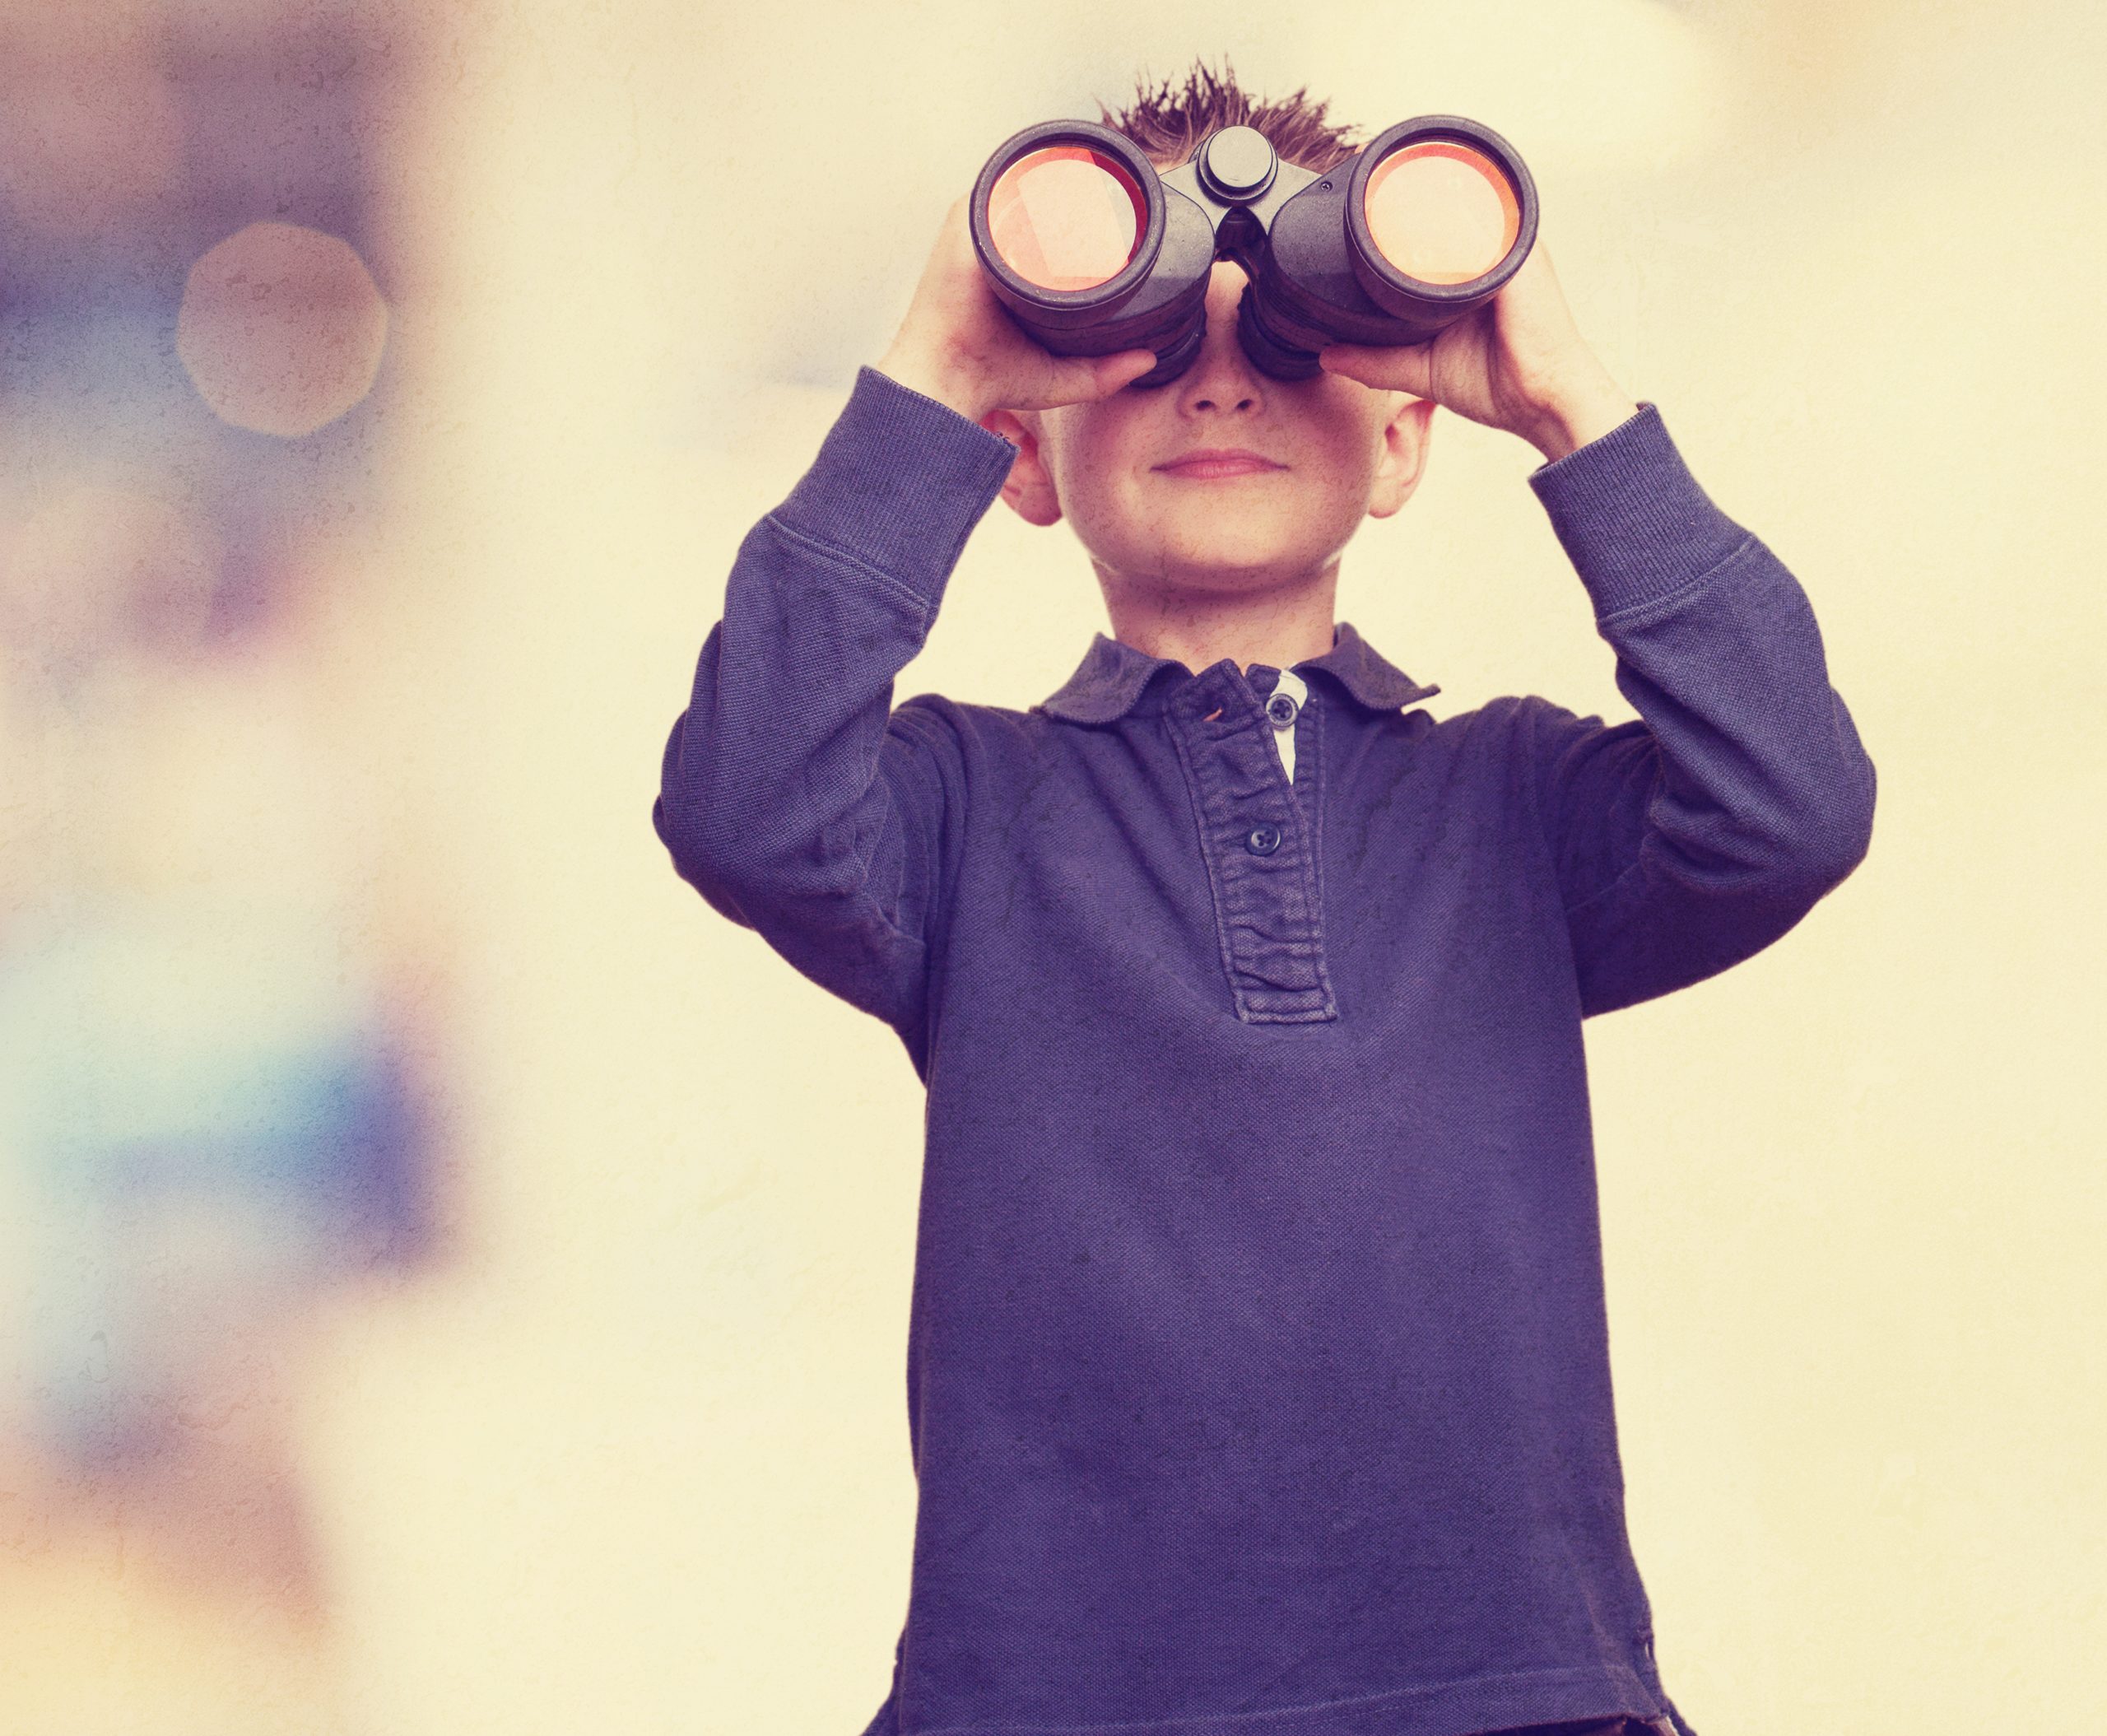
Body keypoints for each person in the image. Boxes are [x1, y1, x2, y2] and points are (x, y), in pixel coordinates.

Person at [652, 60, 1874, 1736]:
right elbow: (744, 804)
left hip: (1514, 1691)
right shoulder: (958, 807)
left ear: (1398, 443)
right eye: (1148, 351)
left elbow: (1785, 808)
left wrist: (1568, 396)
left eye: (1284, 346)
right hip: (1058, 1698)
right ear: (1017, 456)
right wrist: (933, 364)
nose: (1215, 392)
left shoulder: (1511, 800)